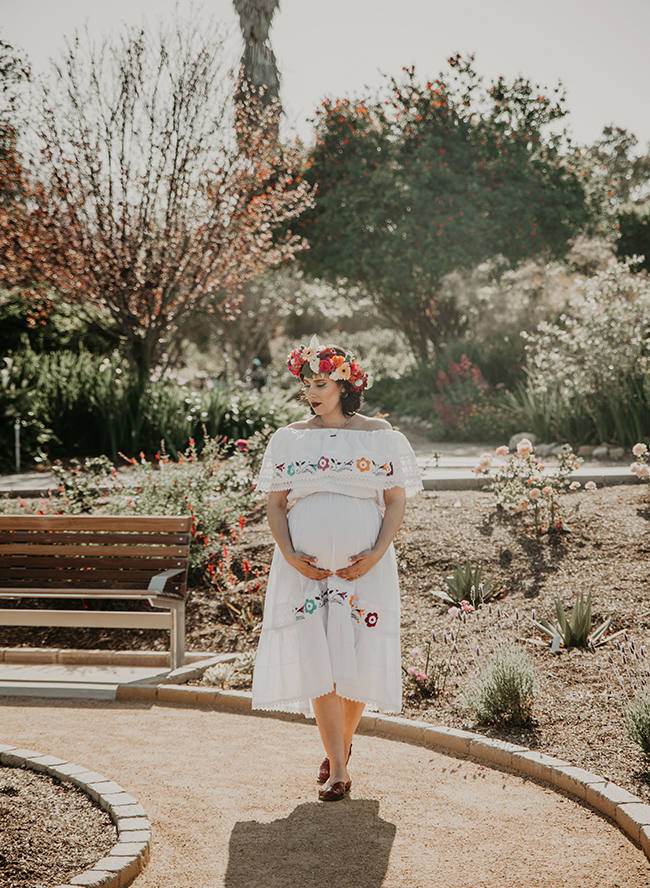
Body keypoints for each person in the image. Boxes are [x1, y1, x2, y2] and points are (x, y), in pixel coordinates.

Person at [251, 335, 422, 801]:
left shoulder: (380, 434)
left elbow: (395, 500)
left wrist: (376, 552)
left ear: (344, 385)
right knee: (317, 658)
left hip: (365, 567)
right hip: (304, 570)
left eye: (320, 382)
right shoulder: (289, 438)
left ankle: (339, 747)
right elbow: (275, 503)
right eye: (306, 382)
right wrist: (287, 554)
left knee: (359, 654)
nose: (310, 390)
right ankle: (340, 770)